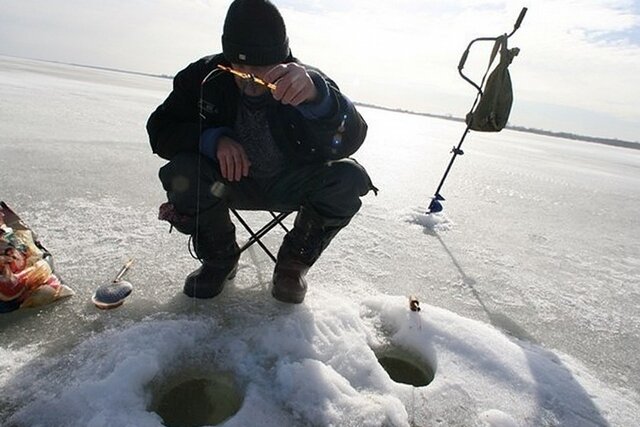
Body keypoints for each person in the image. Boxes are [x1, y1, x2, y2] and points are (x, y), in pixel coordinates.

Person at [147, 0, 375, 304]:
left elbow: (353, 137)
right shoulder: (203, 77)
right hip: (225, 186)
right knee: (182, 172)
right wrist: (211, 140)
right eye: (238, 66)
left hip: (291, 185)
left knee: (349, 177)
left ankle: (292, 267)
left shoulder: (306, 82)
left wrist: (319, 99)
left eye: (259, 66)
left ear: (281, 57)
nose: (248, 77)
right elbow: (160, 130)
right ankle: (219, 258)